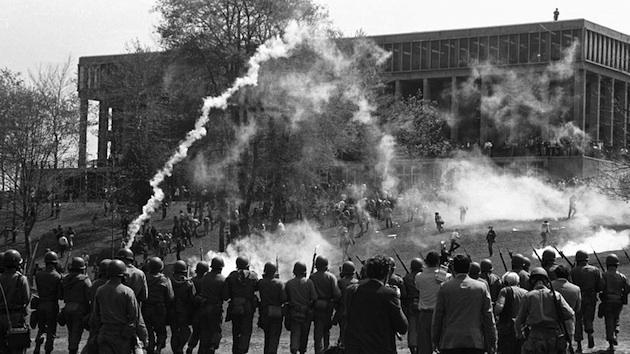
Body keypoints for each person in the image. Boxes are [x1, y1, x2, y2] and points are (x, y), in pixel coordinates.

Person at [432, 254, 496, 354]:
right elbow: (488, 316)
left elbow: (438, 316)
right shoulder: (481, 287)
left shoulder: (445, 287)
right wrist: (492, 340)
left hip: (450, 341)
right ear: (469, 267)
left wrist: (435, 339)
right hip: (474, 340)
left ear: (453, 268)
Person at [344, 254, 408, 353]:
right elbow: (402, 327)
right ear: (386, 274)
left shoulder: (351, 290)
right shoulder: (389, 294)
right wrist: (397, 300)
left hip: (356, 349)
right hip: (380, 349)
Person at [91, 259, 148, 354]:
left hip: (104, 333)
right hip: (121, 336)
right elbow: (135, 317)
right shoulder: (128, 292)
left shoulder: (100, 290)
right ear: (123, 275)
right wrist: (144, 337)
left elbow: (95, 316)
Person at [514, 267, 575, 354]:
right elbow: (570, 314)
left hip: (535, 337)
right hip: (553, 337)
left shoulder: (528, 297)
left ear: (531, 281)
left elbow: (519, 320)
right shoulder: (556, 295)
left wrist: (519, 334)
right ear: (546, 281)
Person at [223, 256, 259, 354]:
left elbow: (226, 294)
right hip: (248, 306)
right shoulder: (253, 276)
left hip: (235, 305)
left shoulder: (231, 276)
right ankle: (243, 350)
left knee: (236, 330)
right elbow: (256, 288)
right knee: (246, 330)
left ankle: (236, 350)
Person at [570, 249, 604, 352]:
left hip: (579, 297)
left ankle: (579, 345)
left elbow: (571, 285)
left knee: (578, 320)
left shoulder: (573, 271)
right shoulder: (595, 270)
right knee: (589, 318)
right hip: (591, 297)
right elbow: (600, 286)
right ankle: (590, 333)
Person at [415, 251, 448, 353]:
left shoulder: (419, 276)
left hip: (425, 315)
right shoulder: (444, 275)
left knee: (425, 348)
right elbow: (444, 278)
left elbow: (418, 287)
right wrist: (444, 265)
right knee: (443, 345)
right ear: (438, 261)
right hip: (441, 315)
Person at [309, 256, 341, 354]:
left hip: (316, 305)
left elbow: (310, 293)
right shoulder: (331, 277)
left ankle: (318, 351)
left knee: (318, 331)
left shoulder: (312, 277)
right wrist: (334, 302)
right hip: (328, 306)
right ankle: (326, 350)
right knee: (326, 329)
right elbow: (337, 293)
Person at [33, 251, 63, 354]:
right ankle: (48, 350)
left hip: (40, 304)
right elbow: (60, 295)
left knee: (41, 327)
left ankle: (37, 345)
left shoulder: (38, 275)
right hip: (52, 305)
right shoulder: (57, 276)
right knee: (51, 330)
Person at [285, 261, 317, 354]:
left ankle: (294, 349)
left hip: (293, 311)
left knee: (295, 332)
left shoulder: (289, 283)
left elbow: (286, 298)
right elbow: (314, 297)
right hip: (306, 312)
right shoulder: (309, 282)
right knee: (304, 332)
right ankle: (302, 350)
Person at [61, 257, 92, 354]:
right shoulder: (85, 280)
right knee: (76, 332)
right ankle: (73, 350)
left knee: (71, 331)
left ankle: (73, 349)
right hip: (79, 309)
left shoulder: (66, 279)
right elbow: (89, 296)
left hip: (67, 308)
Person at [600, 254, 629, 352]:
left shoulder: (604, 275)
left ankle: (611, 341)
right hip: (618, 301)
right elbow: (626, 289)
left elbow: (600, 287)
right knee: (616, 319)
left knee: (609, 320)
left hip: (608, 300)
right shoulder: (622, 276)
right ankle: (615, 333)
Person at [143, 257, 173, 354]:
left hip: (146, 308)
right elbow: (170, 296)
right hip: (159, 309)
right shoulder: (164, 280)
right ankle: (159, 348)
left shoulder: (144, 278)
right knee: (161, 331)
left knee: (148, 330)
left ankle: (150, 347)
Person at [494, 272, 528, 354]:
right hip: (523, 328)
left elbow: (499, 308)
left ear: (506, 282)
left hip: (508, 329)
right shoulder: (526, 292)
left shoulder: (505, 291)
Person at [198, 257, 227, 354]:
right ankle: (213, 346)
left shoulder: (205, 276)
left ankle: (203, 350)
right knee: (215, 330)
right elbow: (225, 296)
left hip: (204, 307)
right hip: (215, 308)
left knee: (204, 331)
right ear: (221, 268)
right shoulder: (222, 279)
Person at [257, 262, 286, 354]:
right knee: (274, 336)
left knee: (267, 335)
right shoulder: (279, 283)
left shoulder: (261, 282)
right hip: (276, 312)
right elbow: (283, 298)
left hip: (264, 312)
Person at [169, 260, 195, 354]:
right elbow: (192, 299)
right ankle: (180, 347)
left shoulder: (169, 282)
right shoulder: (188, 284)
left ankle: (176, 351)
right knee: (186, 332)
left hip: (172, 310)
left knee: (174, 333)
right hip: (183, 311)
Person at [334, 261, 358, 348]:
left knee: (343, 332)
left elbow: (337, 295)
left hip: (342, 310)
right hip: (354, 311)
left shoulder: (340, 282)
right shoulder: (357, 282)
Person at [187, 261, 209, 354]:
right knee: (204, 332)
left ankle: (191, 346)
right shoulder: (208, 281)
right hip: (205, 309)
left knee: (196, 331)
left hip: (195, 310)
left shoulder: (192, 281)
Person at [402, 258, 422, 354]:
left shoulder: (406, 278)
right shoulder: (422, 277)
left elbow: (404, 294)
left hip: (410, 306)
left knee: (412, 329)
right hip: (422, 304)